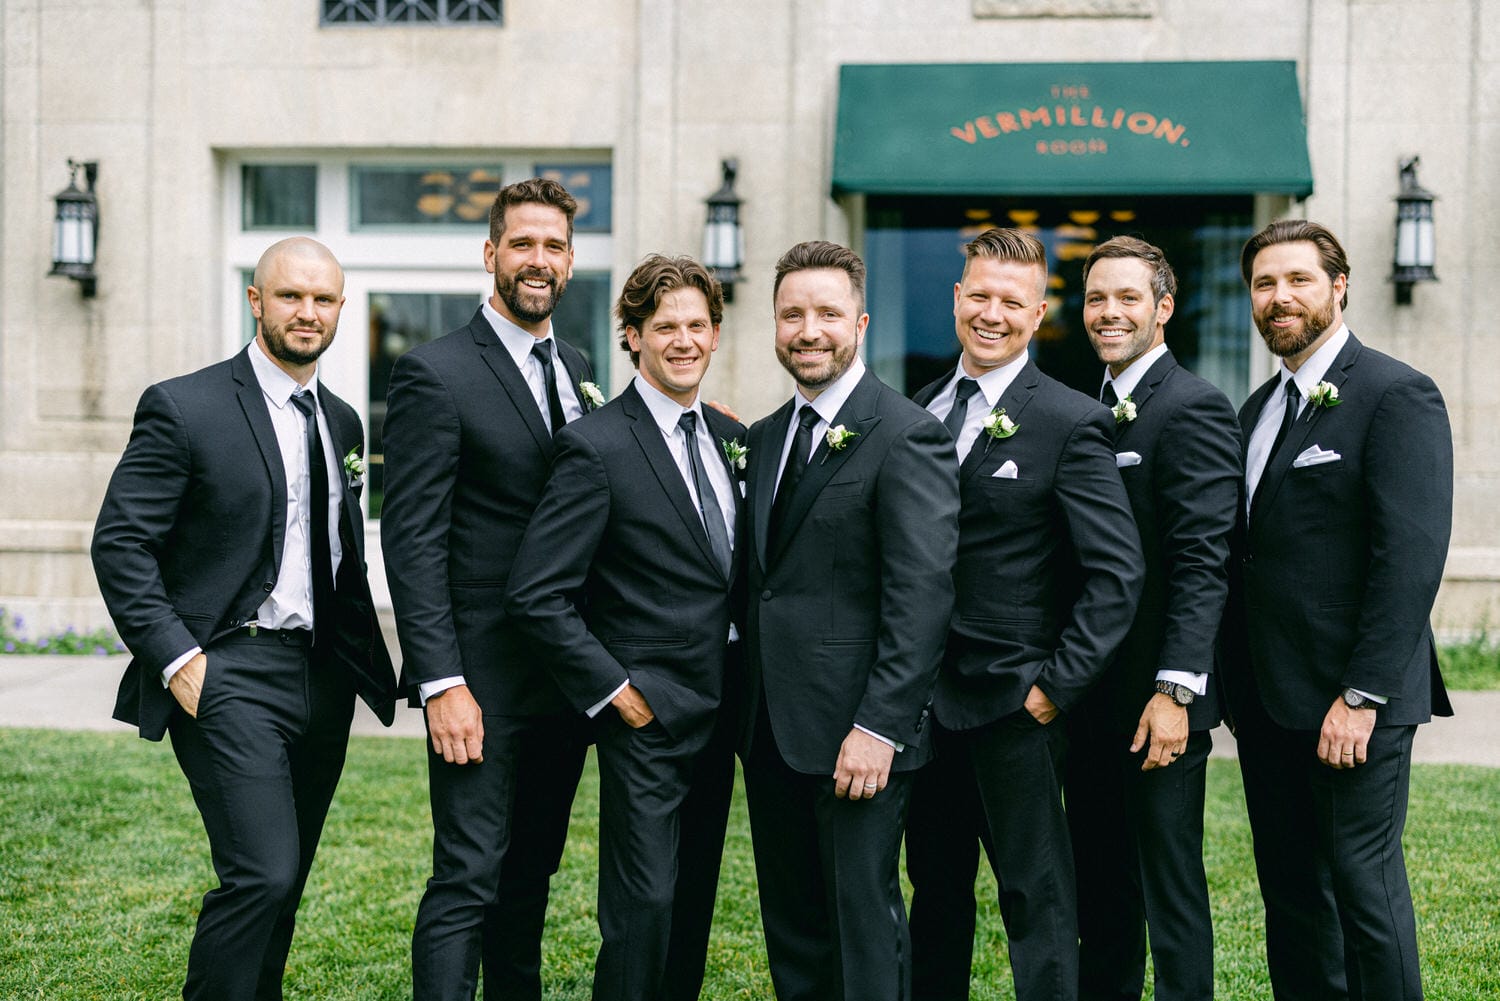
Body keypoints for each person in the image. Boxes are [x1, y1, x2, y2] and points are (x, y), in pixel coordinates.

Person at [91, 237, 398, 1001]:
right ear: (256, 301)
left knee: (284, 886)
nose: (308, 312)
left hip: (321, 677)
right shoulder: (185, 405)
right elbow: (121, 542)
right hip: (228, 669)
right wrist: (177, 657)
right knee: (261, 871)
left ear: (340, 309)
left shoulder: (345, 421)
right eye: (290, 296)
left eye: (323, 299)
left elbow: (339, 558)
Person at [904, 227, 1142, 1001]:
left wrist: (1053, 690)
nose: (993, 314)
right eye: (980, 296)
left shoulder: (1071, 421)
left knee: (1036, 902)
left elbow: (1116, 572)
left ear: (1038, 315)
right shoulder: (917, 410)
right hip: (923, 709)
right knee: (934, 895)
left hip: (1016, 709)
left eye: (1013, 301)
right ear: (956, 298)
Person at [1222, 220, 1452, 1001]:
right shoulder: (1254, 412)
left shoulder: (1395, 393)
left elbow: (1410, 559)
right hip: (1268, 701)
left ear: (1339, 286)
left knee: (1363, 884)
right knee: (1290, 890)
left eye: (1298, 280)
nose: (1279, 297)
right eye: (1263, 283)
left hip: (1353, 698)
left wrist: (1363, 695)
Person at [506, 254, 744, 1001]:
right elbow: (537, 593)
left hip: (731, 706)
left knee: (695, 901)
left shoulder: (735, 435)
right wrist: (614, 691)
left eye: (697, 326)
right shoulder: (597, 445)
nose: (683, 340)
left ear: (714, 336)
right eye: (664, 326)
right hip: (647, 713)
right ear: (633, 338)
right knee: (643, 905)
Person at [381, 178, 597, 1001]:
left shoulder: (578, 369)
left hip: (560, 679)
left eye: (554, 246)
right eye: (523, 243)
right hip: (478, 682)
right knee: (467, 874)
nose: (537, 260)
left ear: (569, 262)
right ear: (491, 254)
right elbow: (413, 538)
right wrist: (441, 681)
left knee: (531, 874)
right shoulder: (433, 373)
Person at [739, 240, 959, 1001]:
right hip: (769, 727)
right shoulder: (763, 438)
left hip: (858, 733)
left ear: (859, 322)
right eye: (792, 314)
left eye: (827, 313)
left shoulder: (906, 433)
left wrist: (881, 725)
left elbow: (923, 594)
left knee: (863, 922)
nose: (809, 330)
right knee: (793, 924)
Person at [1063, 236, 1241, 1001]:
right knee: (1099, 891)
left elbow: (1206, 560)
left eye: (1128, 297)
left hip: (1155, 702)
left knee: (1169, 890)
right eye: (1097, 297)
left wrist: (1176, 694)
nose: (1109, 312)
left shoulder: (1193, 406)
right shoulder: (1081, 406)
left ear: (1162, 308)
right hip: (1086, 701)